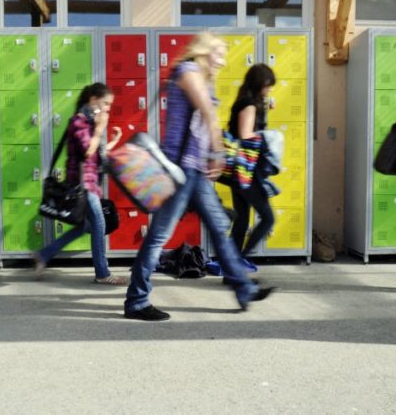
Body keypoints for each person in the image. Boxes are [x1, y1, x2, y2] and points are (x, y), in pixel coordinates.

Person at [124, 32, 275, 321]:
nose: (223, 59)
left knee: (219, 228)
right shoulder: (188, 70)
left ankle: (243, 289)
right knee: (158, 237)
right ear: (204, 51)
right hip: (180, 171)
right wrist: (219, 152)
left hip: (196, 172)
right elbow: (206, 111)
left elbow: (203, 125)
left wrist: (212, 157)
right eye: (219, 52)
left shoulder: (201, 77)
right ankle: (136, 301)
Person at [34, 83, 127, 285]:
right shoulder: (78, 122)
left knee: (85, 226)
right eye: (106, 104)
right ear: (93, 100)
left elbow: (98, 154)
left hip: (91, 183)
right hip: (82, 184)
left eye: (110, 105)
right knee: (99, 224)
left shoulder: (92, 123)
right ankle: (102, 274)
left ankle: (44, 254)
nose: (108, 109)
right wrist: (100, 129)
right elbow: (87, 151)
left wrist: (113, 140)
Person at [228, 64, 277, 267]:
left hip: (238, 172)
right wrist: (270, 138)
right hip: (246, 172)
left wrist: (264, 109)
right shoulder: (249, 105)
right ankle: (240, 262)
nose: (269, 89)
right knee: (267, 218)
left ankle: (232, 269)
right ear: (260, 84)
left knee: (241, 222)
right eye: (268, 86)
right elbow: (246, 135)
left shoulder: (245, 102)